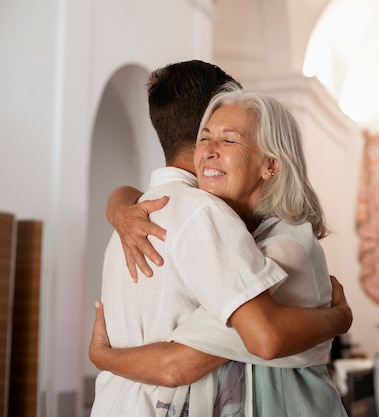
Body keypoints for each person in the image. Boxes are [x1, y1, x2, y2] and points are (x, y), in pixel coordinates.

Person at [90, 61, 352, 417]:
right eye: (206, 136)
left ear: (270, 164)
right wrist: (340, 318)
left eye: (229, 138)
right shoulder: (195, 213)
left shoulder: (138, 212)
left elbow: (203, 355)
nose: (211, 149)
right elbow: (180, 365)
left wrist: (103, 357)